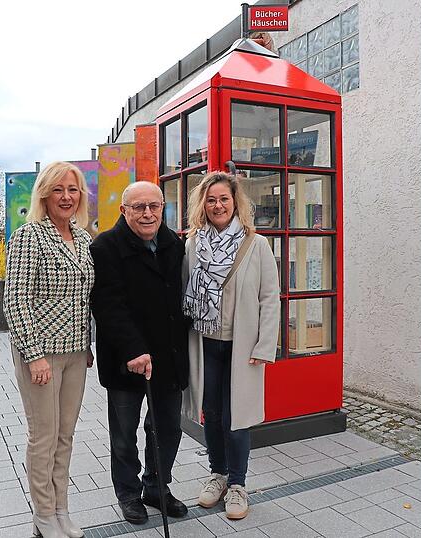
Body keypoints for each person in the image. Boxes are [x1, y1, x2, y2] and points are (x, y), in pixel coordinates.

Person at [89, 181, 191, 524]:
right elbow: (108, 305)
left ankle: (157, 488)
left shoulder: (173, 243)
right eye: (139, 207)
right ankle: (129, 494)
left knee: (167, 429)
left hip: (169, 357)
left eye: (154, 206)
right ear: (124, 211)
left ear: (163, 208)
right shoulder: (105, 246)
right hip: (126, 360)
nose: (148, 213)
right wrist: (134, 349)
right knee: (124, 435)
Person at [181, 171, 281, 520]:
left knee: (236, 416)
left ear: (235, 202)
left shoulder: (256, 244)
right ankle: (217, 475)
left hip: (242, 346)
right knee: (212, 412)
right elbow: (183, 295)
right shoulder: (192, 244)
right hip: (205, 343)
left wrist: (264, 345)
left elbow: (270, 298)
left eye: (224, 199)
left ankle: (238, 485)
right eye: (211, 200)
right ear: (203, 205)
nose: (218, 205)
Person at [3, 161, 94, 538]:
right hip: (40, 354)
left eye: (72, 190)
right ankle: (43, 514)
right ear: (44, 193)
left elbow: (88, 298)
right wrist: (34, 354)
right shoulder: (29, 236)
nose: (66, 197)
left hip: (76, 353)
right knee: (43, 436)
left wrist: (88, 344)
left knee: (65, 435)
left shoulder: (84, 238)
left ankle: (61, 508)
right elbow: (15, 300)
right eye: (58, 189)